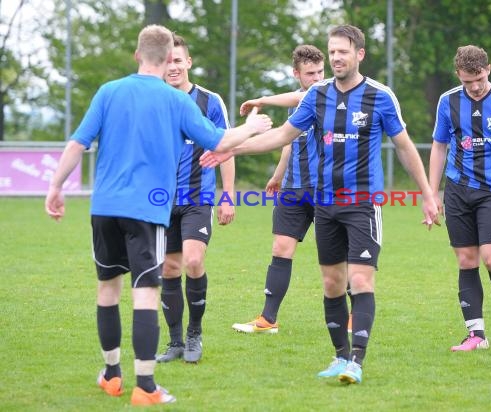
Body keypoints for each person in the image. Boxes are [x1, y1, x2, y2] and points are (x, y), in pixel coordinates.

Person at [44, 25, 271, 406]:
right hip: (146, 211)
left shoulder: (108, 92)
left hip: (104, 209)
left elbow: (77, 143)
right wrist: (249, 127)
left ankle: (112, 375)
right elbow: (219, 142)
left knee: (107, 290)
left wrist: (55, 186)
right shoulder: (175, 101)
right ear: (168, 60)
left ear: (137, 55)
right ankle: (145, 386)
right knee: (145, 293)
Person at [201, 24, 439, 385]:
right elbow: (282, 136)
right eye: (332, 52)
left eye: (343, 52)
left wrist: (427, 194)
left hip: (361, 202)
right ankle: (340, 356)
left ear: (359, 54)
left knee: (360, 280)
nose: (336, 58)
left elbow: (404, 146)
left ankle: (356, 362)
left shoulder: (380, 96)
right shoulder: (317, 96)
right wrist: (230, 148)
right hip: (324, 204)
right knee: (331, 283)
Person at [429, 45, 491, 352]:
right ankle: (476, 335)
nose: (473, 87)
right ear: (458, 76)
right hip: (458, 189)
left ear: (488, 69)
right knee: (466, 260)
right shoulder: (448, 101)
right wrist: (432, 193)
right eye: (466, 81)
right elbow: (438, 146)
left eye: (478, 78)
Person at [231, 44, 329, 334]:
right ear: (296, 73)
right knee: (281, 249)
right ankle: (268, 319)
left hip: (326, 187)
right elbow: (289, 141)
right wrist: (277, 175)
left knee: (335, 254)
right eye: (310, 73)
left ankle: (351, 317)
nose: (317, 78)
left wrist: (261, 99)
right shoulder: (295, 104)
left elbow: (302, 96)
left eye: (320, 71)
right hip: (293, 187)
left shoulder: (330, 94)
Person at [155, 35, 235, 364]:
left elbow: (225, 147)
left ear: (188, 63)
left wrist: (227, 195)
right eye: (167, 61)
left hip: (197, 197)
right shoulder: (153, 100)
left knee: (192, 261)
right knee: (169, 269)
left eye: (178, 60)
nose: (173, 67)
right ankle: (174, 342)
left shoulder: (209, 100)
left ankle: (194, 334)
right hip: (158, 200)